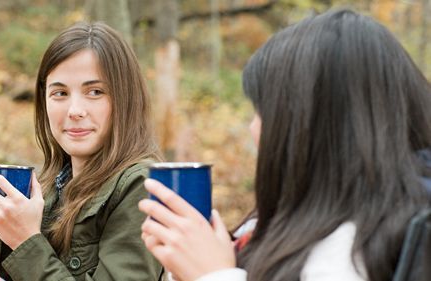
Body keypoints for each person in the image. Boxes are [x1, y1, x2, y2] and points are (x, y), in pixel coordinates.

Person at [138, 9, 431, 281]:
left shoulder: (353, 253)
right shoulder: (310, 218)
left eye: (262, 111)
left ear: (307, 124)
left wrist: (215, 275)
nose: (253, 127)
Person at [0, 22, 163, 281]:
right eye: (60, 93)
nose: (74, 110)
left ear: (125, 98)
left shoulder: (142, 186)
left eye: (95, 92)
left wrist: (25, 240)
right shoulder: (50, 186)